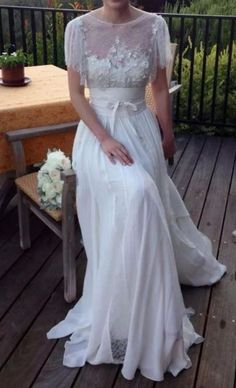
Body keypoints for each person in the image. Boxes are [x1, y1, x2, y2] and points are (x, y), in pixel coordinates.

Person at [46, 1, 227, 382]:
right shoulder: (78, 29)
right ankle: (124, 309)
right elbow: (77, 94)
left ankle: (147, 309)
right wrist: (106, 139)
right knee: (141, 195)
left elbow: (159, 88)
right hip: (99, 138)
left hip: (141, 131)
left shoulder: (154, 25)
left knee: (141, 202)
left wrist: (167, 132)